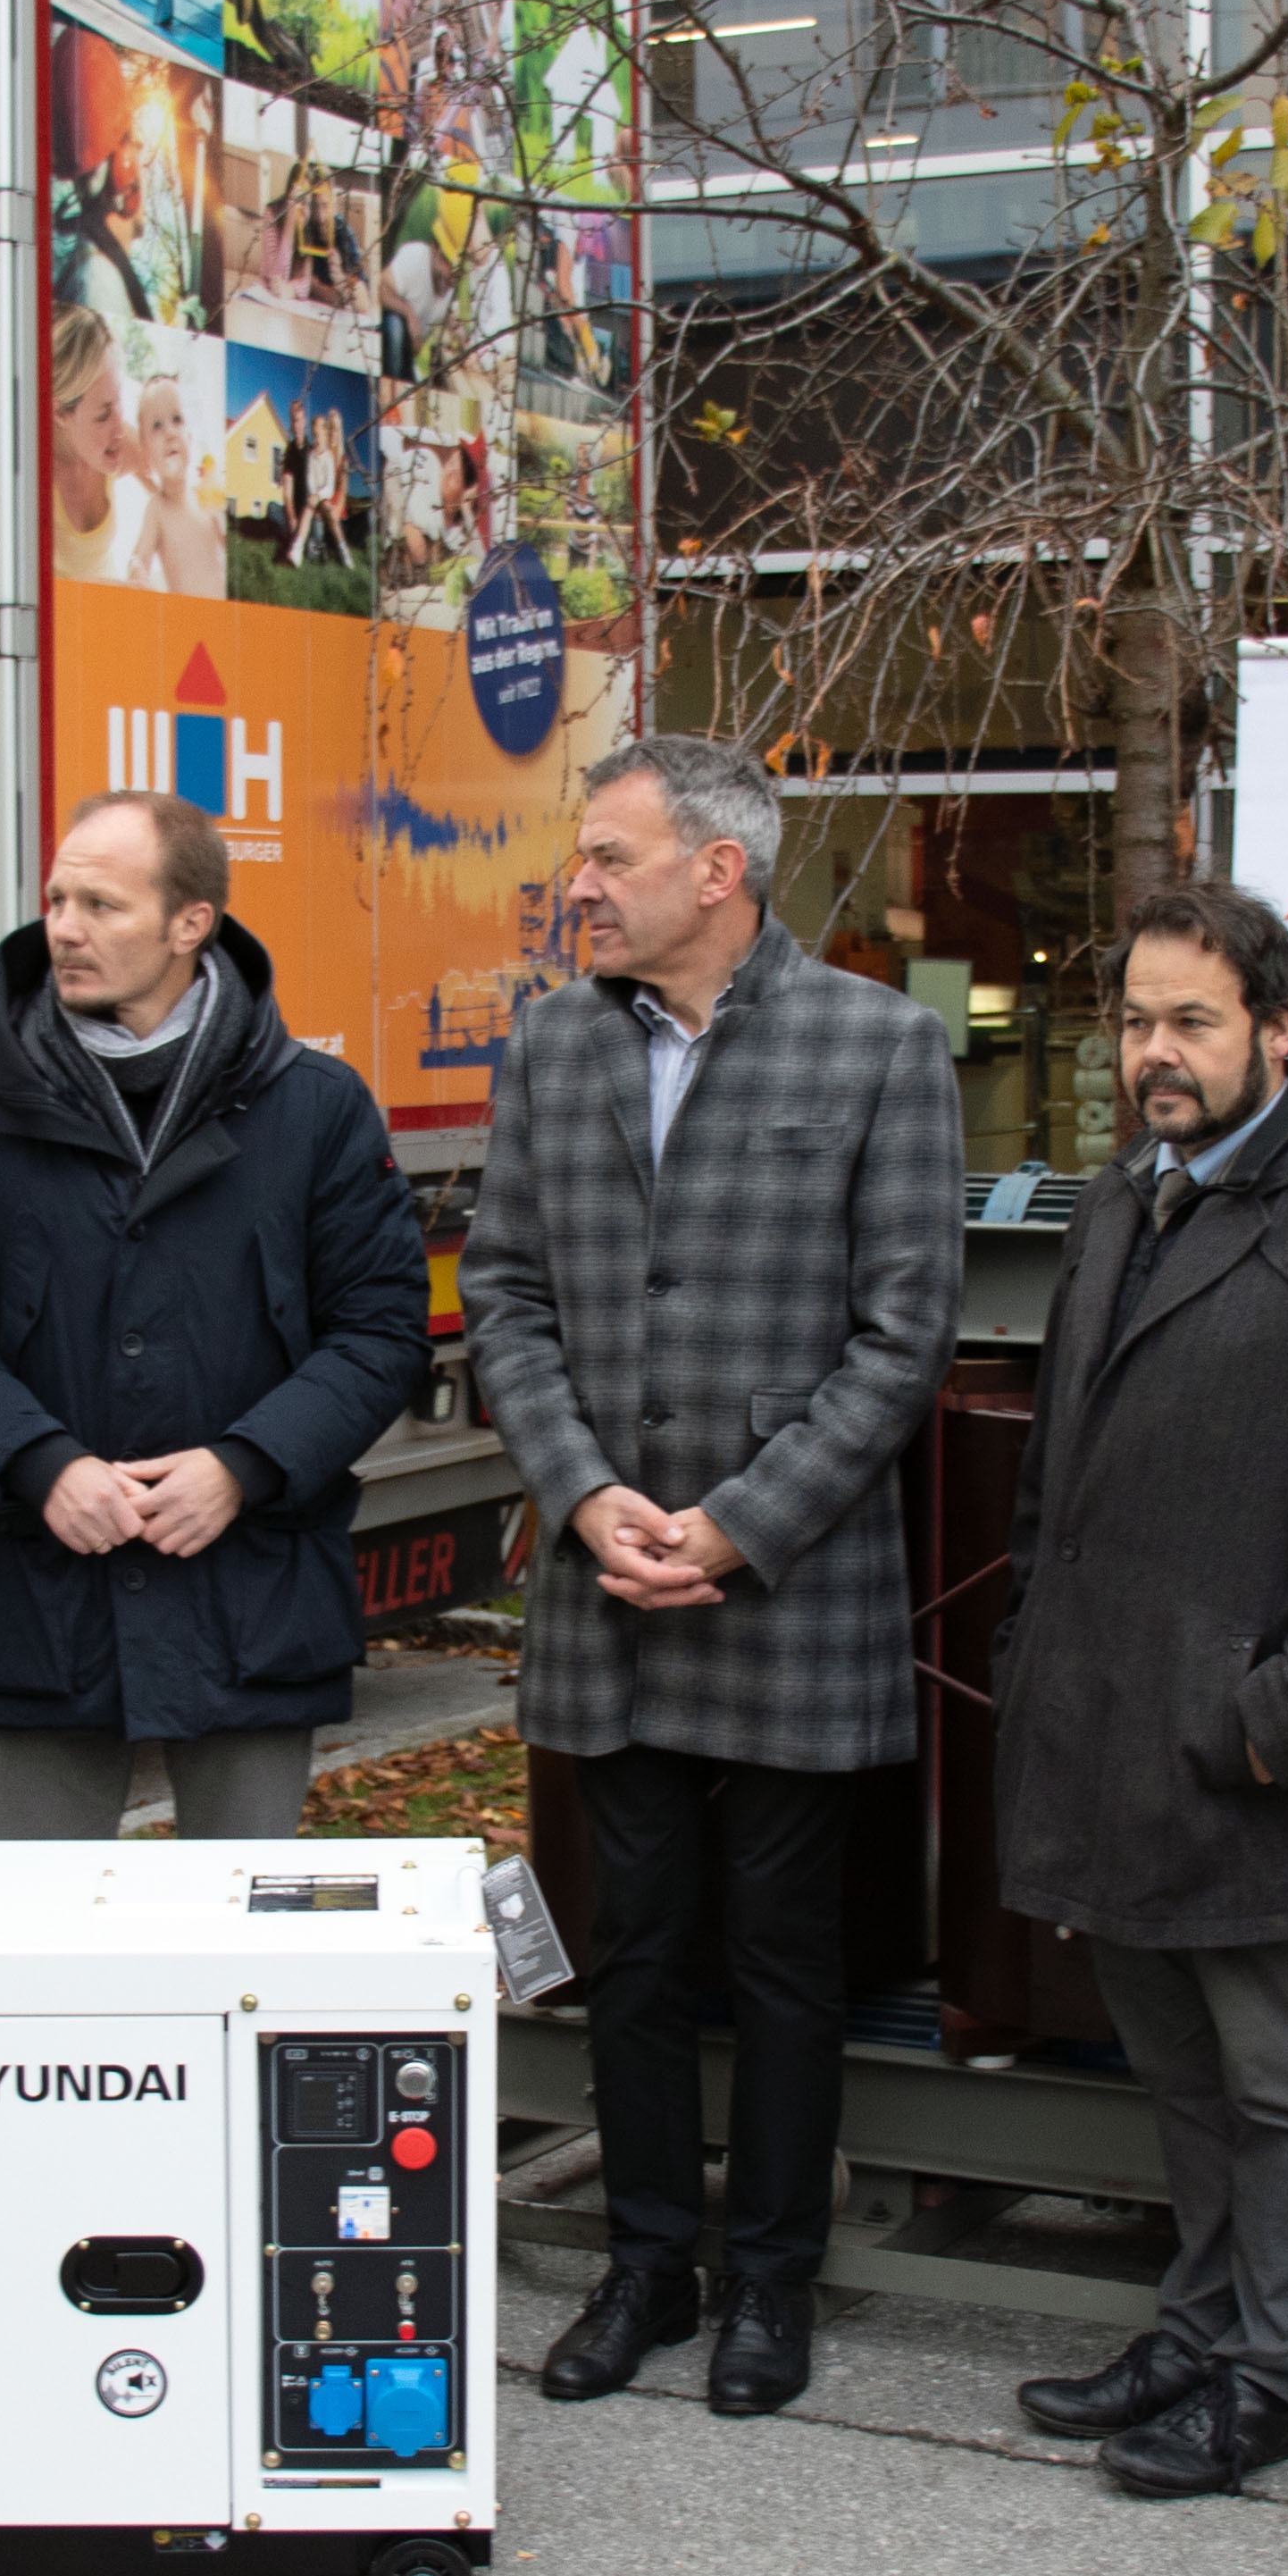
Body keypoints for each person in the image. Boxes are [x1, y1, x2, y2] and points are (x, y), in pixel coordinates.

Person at [464, 735, 963, 2421]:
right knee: (636, 1950)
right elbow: (507, 1297)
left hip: (784, 1590)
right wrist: (583, 1492)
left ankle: (770, 2285)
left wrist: (742, 1523)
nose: (578, 887)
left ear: (717, 872)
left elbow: (904, 1341)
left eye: (606, 857)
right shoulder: (547, 1048)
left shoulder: (879, 1048)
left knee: (781, 1961)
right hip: (605, 1585)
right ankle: (642, 2268)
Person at [987, 885, 1288, 2496]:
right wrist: (1028, 1662)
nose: (1154, 1053)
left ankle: (1272, 2368)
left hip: (1252, 1763)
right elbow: (1055, 1470)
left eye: (1190, 1021)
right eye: (1134, 1021)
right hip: (1103, 1737)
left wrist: (1271, 1720)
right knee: (1181, 2078)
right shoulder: (1122, 1204)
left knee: (1283, 2083)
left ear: (1276, 1028)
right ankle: (1195, 2325)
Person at [0, 792, 429, 1843]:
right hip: (40, 1600)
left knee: (238, 1947)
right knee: (43, 1949)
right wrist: (42, 1463)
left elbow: (378, 1331)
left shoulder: (313, 1107)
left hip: (251, 1592)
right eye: (55, 898)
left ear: (192, 924)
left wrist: (243, 1464)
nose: (64, 927)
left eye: (101, 902)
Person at [51, 306, 142, 586]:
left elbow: (176, 486)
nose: (119, 428)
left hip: (107, 602)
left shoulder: (120, 440)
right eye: (103, 416)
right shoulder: (28, 477)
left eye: (119, 402)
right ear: (61, 413)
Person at [129, 375, 226, 598]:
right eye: (157, 426)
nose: (170, 433)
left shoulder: (205, 496)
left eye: (177, 420)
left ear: (190, 438)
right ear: (146, 455)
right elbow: (140, 558)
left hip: (223, 618)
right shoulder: (157, 509)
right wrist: (137, 568)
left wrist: (220, 515)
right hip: (187, 623)